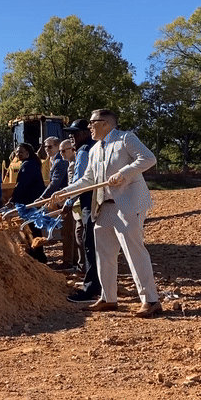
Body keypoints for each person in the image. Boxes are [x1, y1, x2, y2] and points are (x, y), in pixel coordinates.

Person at [51, 110, 161, 317]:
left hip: (128, 204)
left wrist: (123, 173)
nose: (90, 128)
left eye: (92, 123)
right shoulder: (94, 150)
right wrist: (65, 192)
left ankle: (150, 300)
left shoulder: (126, 138)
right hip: (104, 206)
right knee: (104, 253)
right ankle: (109, 298)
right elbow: (88, 180)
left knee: (133, 251)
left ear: (105, 123)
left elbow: (148, 158)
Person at [60, 119, 101, 302]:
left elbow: (80, 180)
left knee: (90, 244)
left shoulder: (84, 152)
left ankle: (91, 289)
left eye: (74, 133)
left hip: (88, 202)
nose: (71, 137)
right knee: (97, 245)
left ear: (85, 133)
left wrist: (68, 202)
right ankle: (99, 285)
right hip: (96, 201)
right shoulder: (96, 147)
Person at [8, 143, 47, 263]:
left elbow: (22, 185)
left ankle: (38, 256)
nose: (17, 154)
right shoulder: (32, 164)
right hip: (34, 201)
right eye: (16, 152)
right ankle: (39, 255)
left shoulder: (28, 165)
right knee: (35, 229)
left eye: (20, 152)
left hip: (30, 203)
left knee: (32, 230)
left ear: (27, 153)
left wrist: (12, 200)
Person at [57, 139, 78, 269]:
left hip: (74, 204)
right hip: (72, 202)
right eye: (60, 151)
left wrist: (67, 201)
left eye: (64, 151)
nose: (61, 153)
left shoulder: (74, 165)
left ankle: (70, 262)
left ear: (72, 149)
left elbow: (73, 186)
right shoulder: (70, 163)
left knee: (70, 233)